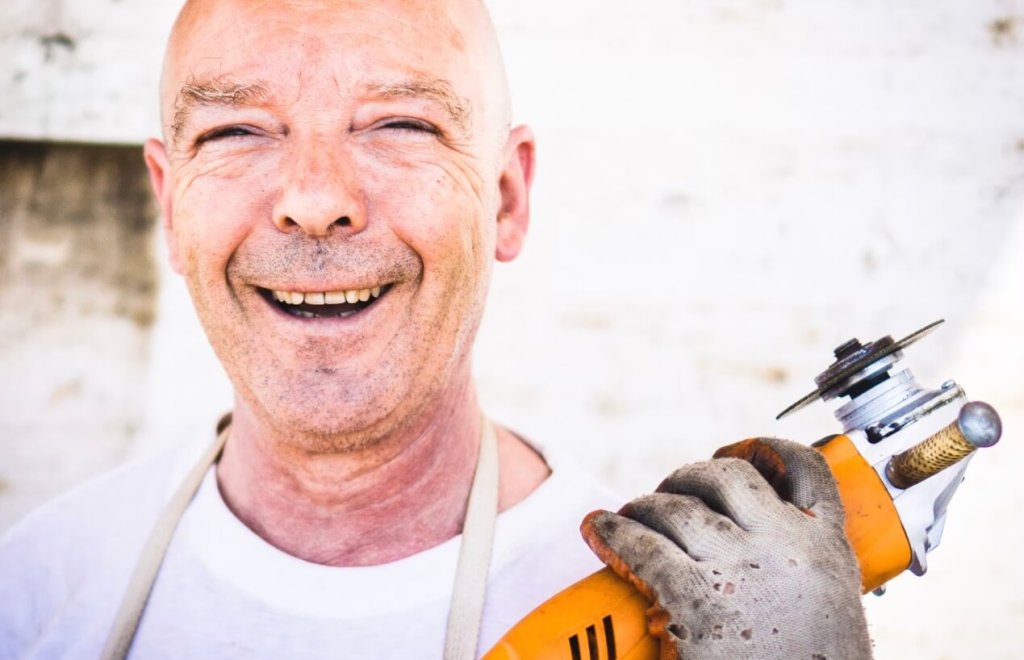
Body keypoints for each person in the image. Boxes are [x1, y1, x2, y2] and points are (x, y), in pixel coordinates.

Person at [0, 1, 871, 658]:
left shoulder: (662, 615)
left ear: (505, 196)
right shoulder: (39, 587)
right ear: (168, 203)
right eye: (235, 131)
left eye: (401, 125)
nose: (315, 201)